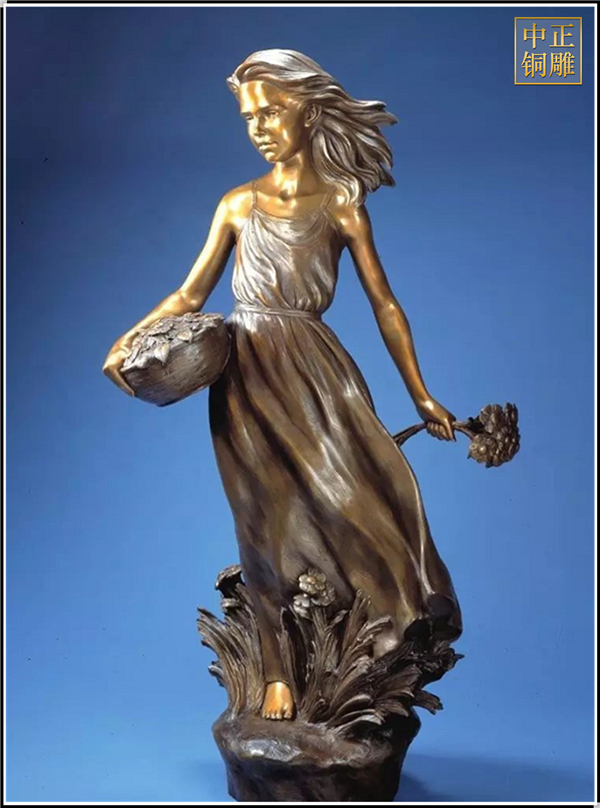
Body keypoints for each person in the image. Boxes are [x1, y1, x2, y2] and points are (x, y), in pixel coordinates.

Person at [103, 49, 462, 722]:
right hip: (244, 373)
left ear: (310, 111)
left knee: (355, 501)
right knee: (259, 521)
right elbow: (189, 294)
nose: (260, 128)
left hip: (318, 377)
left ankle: (381, 632)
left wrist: (421, 394)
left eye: (272, 111)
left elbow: (385, 304)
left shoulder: (341, 202)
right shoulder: (238, 204)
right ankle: (276, 672)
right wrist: (129, 341)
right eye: (249, 118)